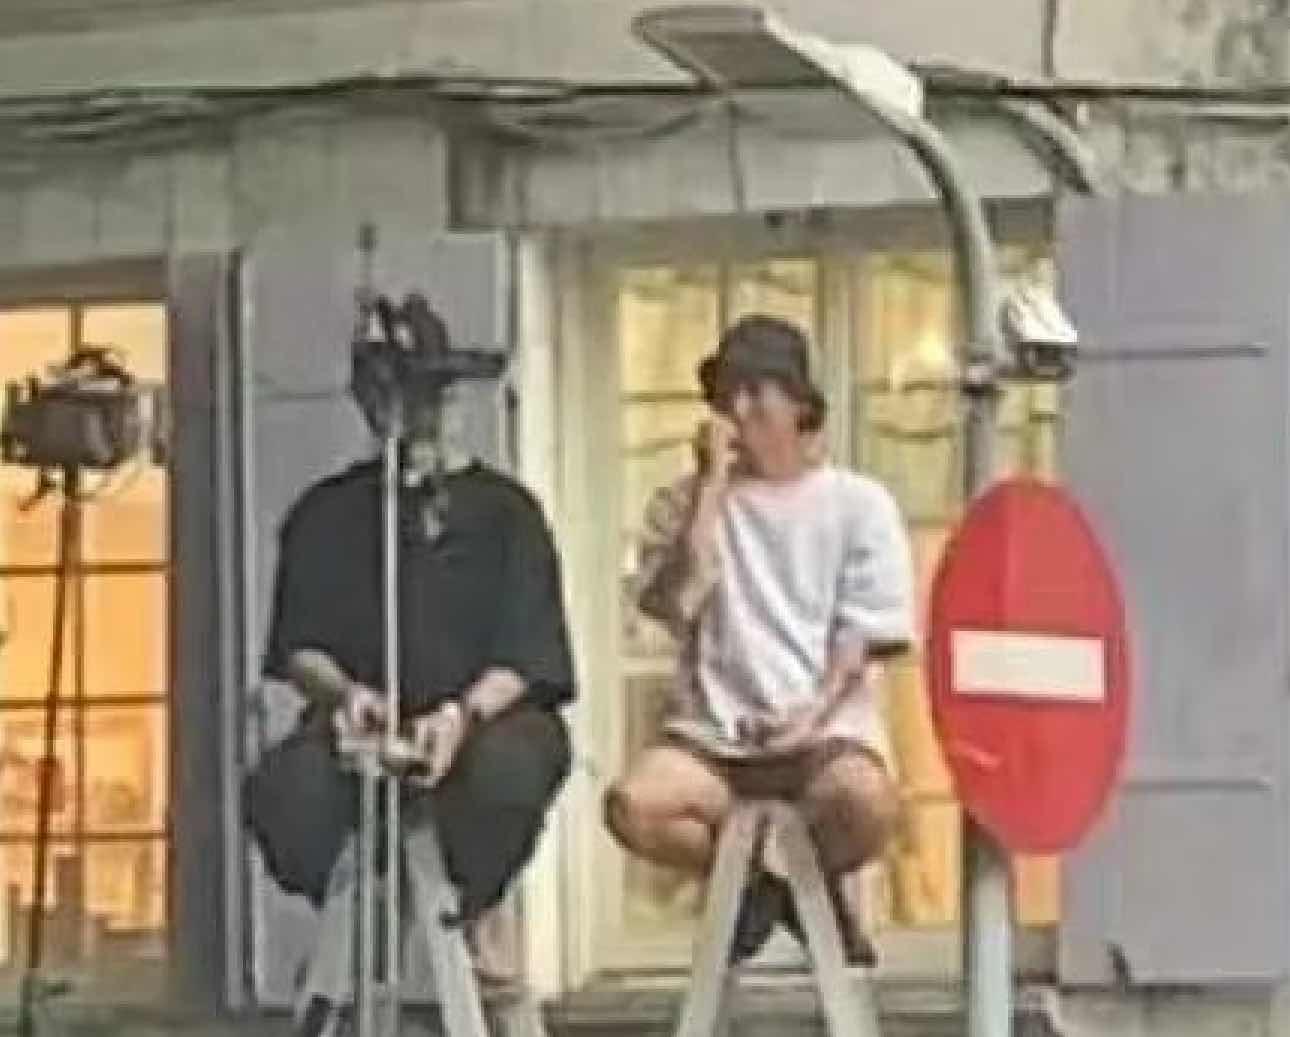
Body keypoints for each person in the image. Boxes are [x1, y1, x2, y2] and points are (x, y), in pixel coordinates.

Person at [244, 305, 575, 974]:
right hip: (364, 723)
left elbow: (528, 652)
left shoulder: (508, 513)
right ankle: (359, 908)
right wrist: (346, 695)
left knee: (507, 775)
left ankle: (476, 903)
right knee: (287, 793)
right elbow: (299, 645)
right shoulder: (325, 513)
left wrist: (460, 715)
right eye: (395, 398)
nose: (417, 415)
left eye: (430, 396)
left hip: (484, 719)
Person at [605, 314, 915, 965]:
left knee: (866, 805)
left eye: (755, 393)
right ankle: (778, 891)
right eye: (727, 396)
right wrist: (710, 492)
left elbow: (862, 636)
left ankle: (773, 890)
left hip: (822, 734)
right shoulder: (683, 504)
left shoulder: (859, 504)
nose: (737, 412)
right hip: (714, 740)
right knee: (635, 805)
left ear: (799, 404)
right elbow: (676, 604)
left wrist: (810, 715)